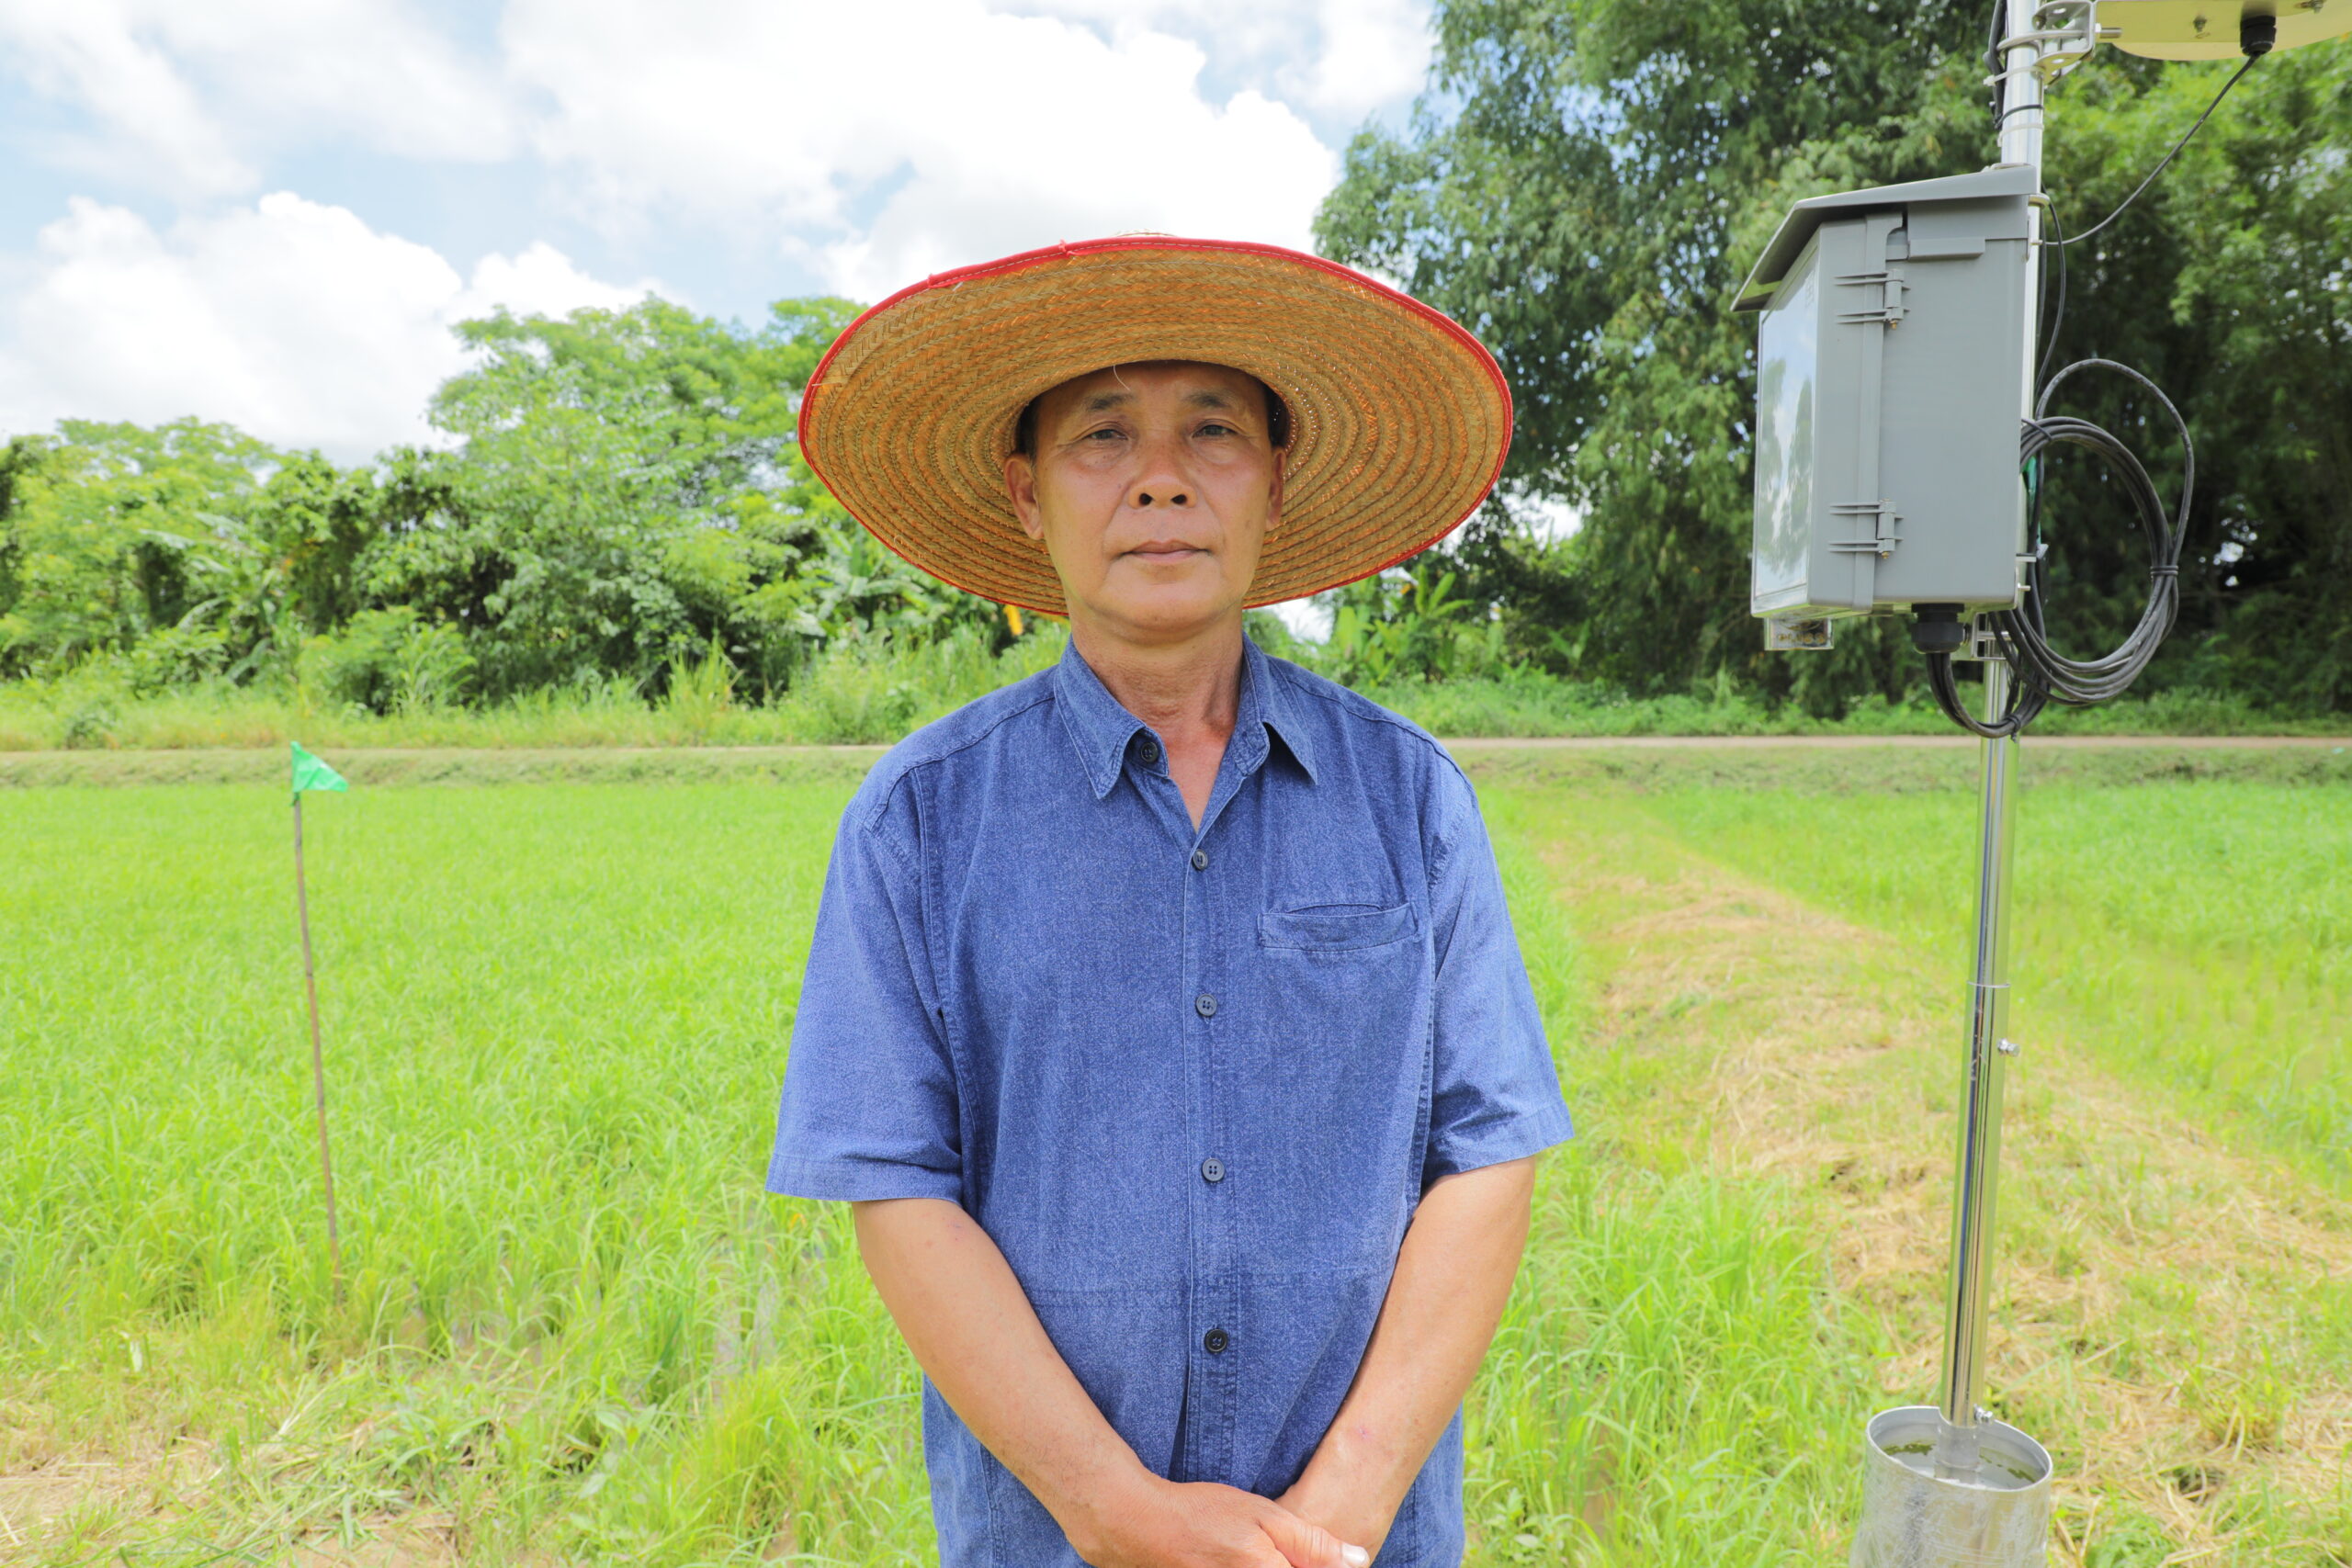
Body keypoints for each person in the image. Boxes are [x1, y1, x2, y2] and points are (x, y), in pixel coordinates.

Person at [766, 235, 1574, 1568]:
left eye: (1213, 431)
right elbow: (899, 1189)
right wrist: (1110, 1508)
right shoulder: (921, 821)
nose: (1158, 478)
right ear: (1027, 497)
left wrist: (1342, 1512)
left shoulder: (1409, 797)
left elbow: (1487, 1152)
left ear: (1274, 484)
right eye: (1101, 437)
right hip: (1047, 1537)